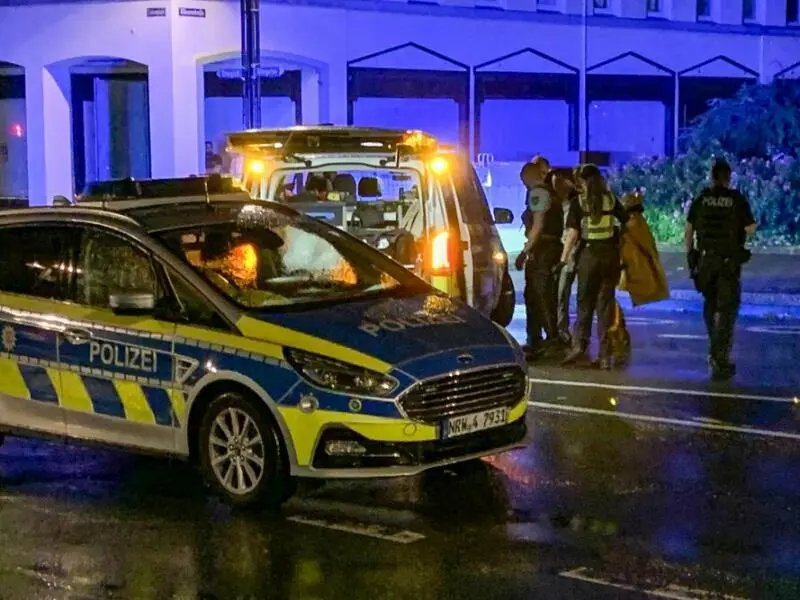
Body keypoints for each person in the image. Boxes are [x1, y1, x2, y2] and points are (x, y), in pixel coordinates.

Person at [685, 158, 757, 380]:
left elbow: (688, 231)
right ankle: (719, 356)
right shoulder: (735, 199)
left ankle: (715, 347)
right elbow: (751, 227)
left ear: (711, 177)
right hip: (727, 262)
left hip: (706, 261)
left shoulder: (702, 199)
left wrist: (691, 257)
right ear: (728, 177)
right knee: (727, 311)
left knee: (710, 303)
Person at [558, 164, 630, 369]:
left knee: (584, 304)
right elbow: (626, 223)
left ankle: (579, 349)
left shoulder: (579, 202)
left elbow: (572, 234)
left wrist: (564, 259)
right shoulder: (611, 199)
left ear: (582, 181)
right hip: (610, 257)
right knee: (605, 306)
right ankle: (605, 355)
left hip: (589, 257)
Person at [514, 156, 564, 358]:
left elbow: (538, 224)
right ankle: (535, 340)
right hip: (544, 248)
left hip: (544, 249)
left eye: (522, 178)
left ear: (528, 176)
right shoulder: (547, 191)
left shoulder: (538, 192)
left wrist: (525, 252)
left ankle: (552, 340)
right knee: (533, 295)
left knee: (542, 296)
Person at [551, 169, 580, 345]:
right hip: (558, 250)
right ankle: (558, 330)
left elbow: (572, 233)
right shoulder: (555, 204)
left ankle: (562, 331)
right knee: (558, 293)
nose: (557, 188)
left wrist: (564, 258)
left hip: (571, 253)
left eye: (560, 184)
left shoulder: (574, 204)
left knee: (563, 292)